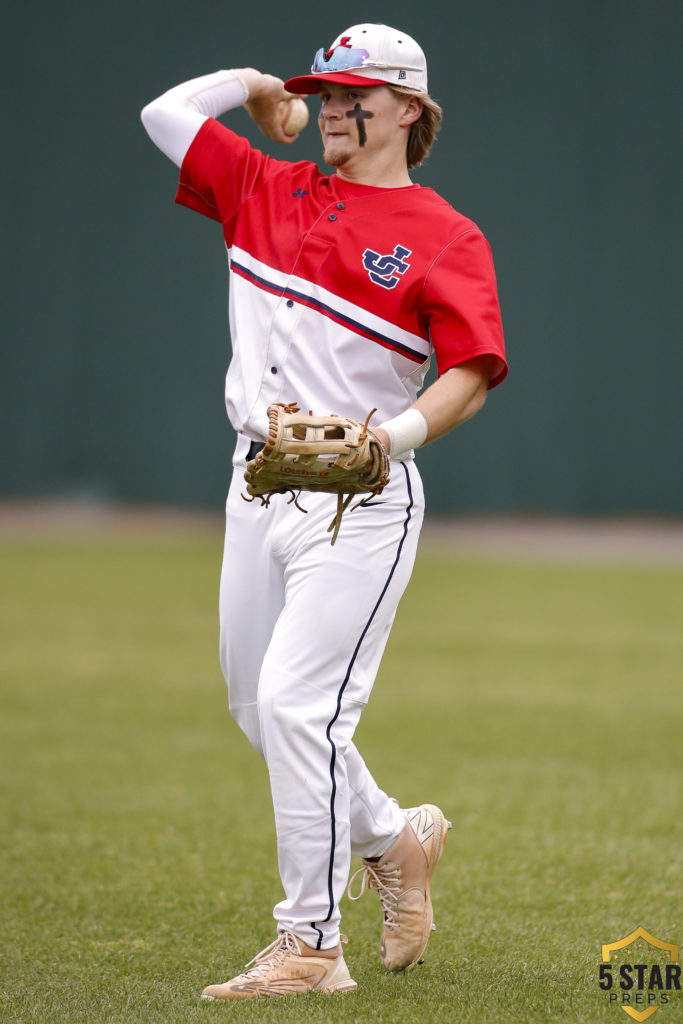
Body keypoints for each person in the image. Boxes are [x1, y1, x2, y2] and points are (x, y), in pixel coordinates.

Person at [141, 22, 507, 1001]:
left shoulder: (443, 234)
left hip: (362, 498)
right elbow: (163, 114)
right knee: (257, 708)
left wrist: (392, 438)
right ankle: (394, 837)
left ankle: (308, 943)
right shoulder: (264, 186)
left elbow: (470, 367)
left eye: (353, 93)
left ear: (406, 112)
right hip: (254, 481)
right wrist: (258, 85)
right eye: (326, 91)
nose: (333, 106)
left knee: (301, 707)